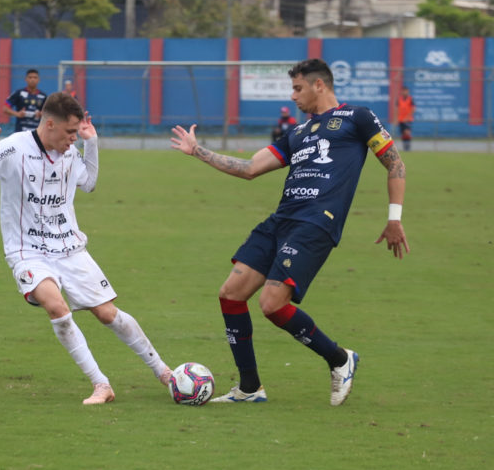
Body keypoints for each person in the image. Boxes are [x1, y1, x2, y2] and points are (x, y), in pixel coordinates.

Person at [171, 58, 409, 407]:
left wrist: (394, 218)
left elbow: (395, 164)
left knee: (271, 304)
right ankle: (250, 388)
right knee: (231, 294)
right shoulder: (297, 134)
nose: (293, 96)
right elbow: (250, 168)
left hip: (316, 223)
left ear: (319, 85)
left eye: (298, 88)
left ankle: (339, 359)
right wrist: (198, 152)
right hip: (281, 220)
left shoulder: (357, 117)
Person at [0, 92, 173, 405]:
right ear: (50, 124)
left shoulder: (70, 151)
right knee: (57, 307)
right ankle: (101, 384)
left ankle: (163, 371)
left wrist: (91, 142)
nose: (74, 138)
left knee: (107, 313)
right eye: (70, 132)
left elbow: (89, 183)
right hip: (27, 251)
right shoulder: (14, 147)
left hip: (70, 248)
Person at [2, 68, 46, 133]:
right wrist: (17, 114)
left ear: (38, 80)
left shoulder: (43, 96)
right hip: (21, 131)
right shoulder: (19, 93)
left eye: (35, 77)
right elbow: (5, 108)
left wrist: (41, 114)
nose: (32, 79)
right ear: (26, 79)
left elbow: (49, 113)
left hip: (36, 132)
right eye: (30, 77)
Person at [397, 86, 416, 152]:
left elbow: (413, 109)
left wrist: (407, 117)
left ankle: (408, 147)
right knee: (403, 134)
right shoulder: (399, 99)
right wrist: (396, 119)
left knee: (407, 132)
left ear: (408, 92)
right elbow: (397, 109)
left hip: (408, 120)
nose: (404, 92)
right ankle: (405, 148)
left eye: (406, 91)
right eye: (403, 91)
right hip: (401, 119)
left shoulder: (410, 99)